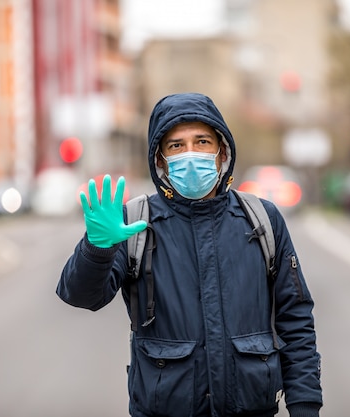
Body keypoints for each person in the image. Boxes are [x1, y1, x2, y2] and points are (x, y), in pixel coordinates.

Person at [57, 92, 323, 417]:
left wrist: (305, 406)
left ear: (221, 150)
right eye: (176, 146)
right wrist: (96, 248)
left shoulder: (262, 219)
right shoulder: (134, 223)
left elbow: (295, 323)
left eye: (202, 141)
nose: (191, 154)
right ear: (159, 159)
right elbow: (82, 296)